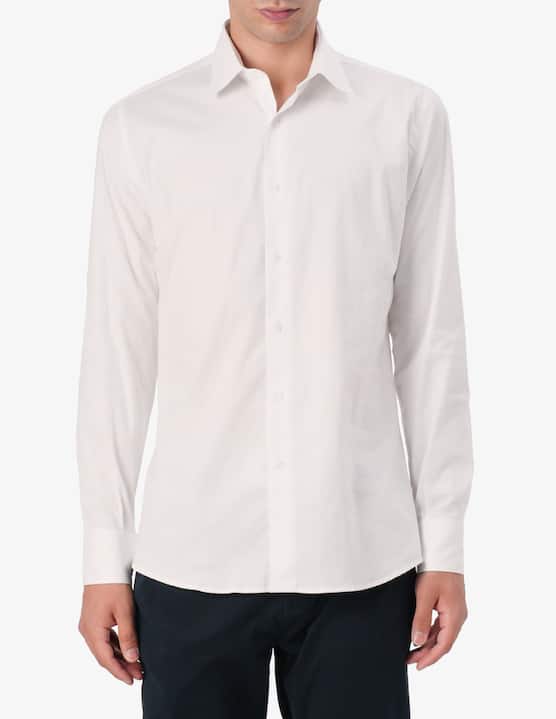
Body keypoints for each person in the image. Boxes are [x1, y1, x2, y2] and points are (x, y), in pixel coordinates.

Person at [77, 1, 473, 717]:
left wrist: (444, 543)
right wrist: (104, 555)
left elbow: (430, 341)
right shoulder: (141, 128)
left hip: (359, 558)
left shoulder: (406, 117)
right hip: (192, 557)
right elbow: (116, 352)